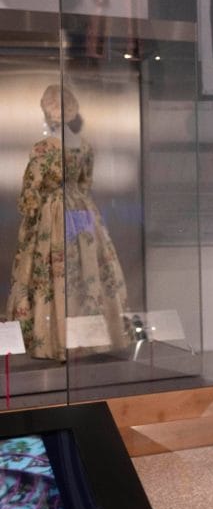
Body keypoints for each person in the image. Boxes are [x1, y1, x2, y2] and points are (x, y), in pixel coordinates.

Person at [6, 85, 129, 360]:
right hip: (82, 212)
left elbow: (31, 190)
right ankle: (87, 339)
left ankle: (54, 340)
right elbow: (86, 183)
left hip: (53, 213)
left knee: (54, 272)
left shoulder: (43, 149)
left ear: (46, 111)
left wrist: (30, 217)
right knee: (84, 268)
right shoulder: (84, 146)